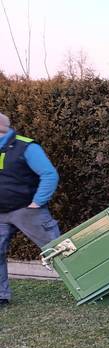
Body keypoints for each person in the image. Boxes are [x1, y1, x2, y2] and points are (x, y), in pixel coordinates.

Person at [0, 113, 60, 307]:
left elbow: (49, 174)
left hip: (27, 211)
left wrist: (37, 202)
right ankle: (1, 296)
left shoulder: (26, 146)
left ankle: (89, 285)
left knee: (58, 250)